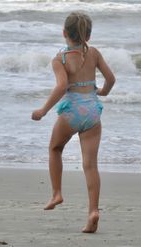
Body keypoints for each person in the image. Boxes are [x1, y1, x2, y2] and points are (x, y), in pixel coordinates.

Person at [31, 12, 115, 233]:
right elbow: (111, 79)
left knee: (55, 148)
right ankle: (93, 211)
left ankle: (57, 193)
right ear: (88, 35)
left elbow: (61, 87)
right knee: (90, 165)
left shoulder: (60, 59)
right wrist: (103, 92)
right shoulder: (95, 53)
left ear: (64, 33)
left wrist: (43, 110)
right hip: (92, 112)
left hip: (72, 113)